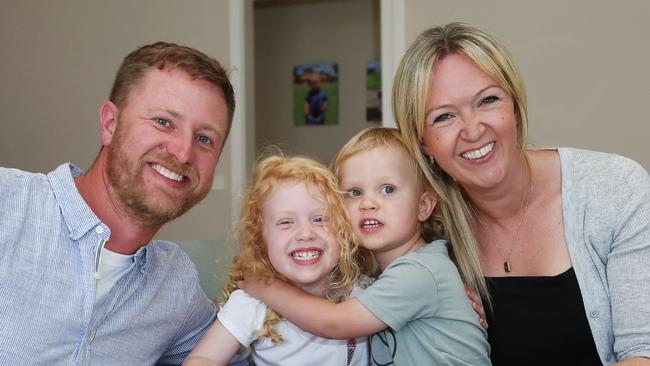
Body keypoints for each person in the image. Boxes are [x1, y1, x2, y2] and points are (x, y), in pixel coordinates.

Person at [393, 22, 650, 366]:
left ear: (514, 107)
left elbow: (643, 353)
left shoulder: (614, 188)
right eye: (444, 117)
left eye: (487, 100)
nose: (473, 130)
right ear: (422, 141)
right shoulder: (422, 231)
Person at [0, 41, 240, 365]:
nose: (183, 152)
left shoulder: (175, 285)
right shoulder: (9, 203)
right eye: (163, 122)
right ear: (110, 124)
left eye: (204, 139)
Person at [239, 128, 491, 365]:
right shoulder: (384, 276)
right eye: (354, 192)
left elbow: (335, 324)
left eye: (388, 189)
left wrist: (265, 287)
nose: (368, 203)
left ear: (423, 206)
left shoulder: (419, 272)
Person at [183, 154, 374, 366]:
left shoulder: (361, 294)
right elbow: (203, 358)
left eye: (320, 219)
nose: (305, 233)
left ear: (343, 230)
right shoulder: (252, 303)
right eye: (286, 222)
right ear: (260, 239)